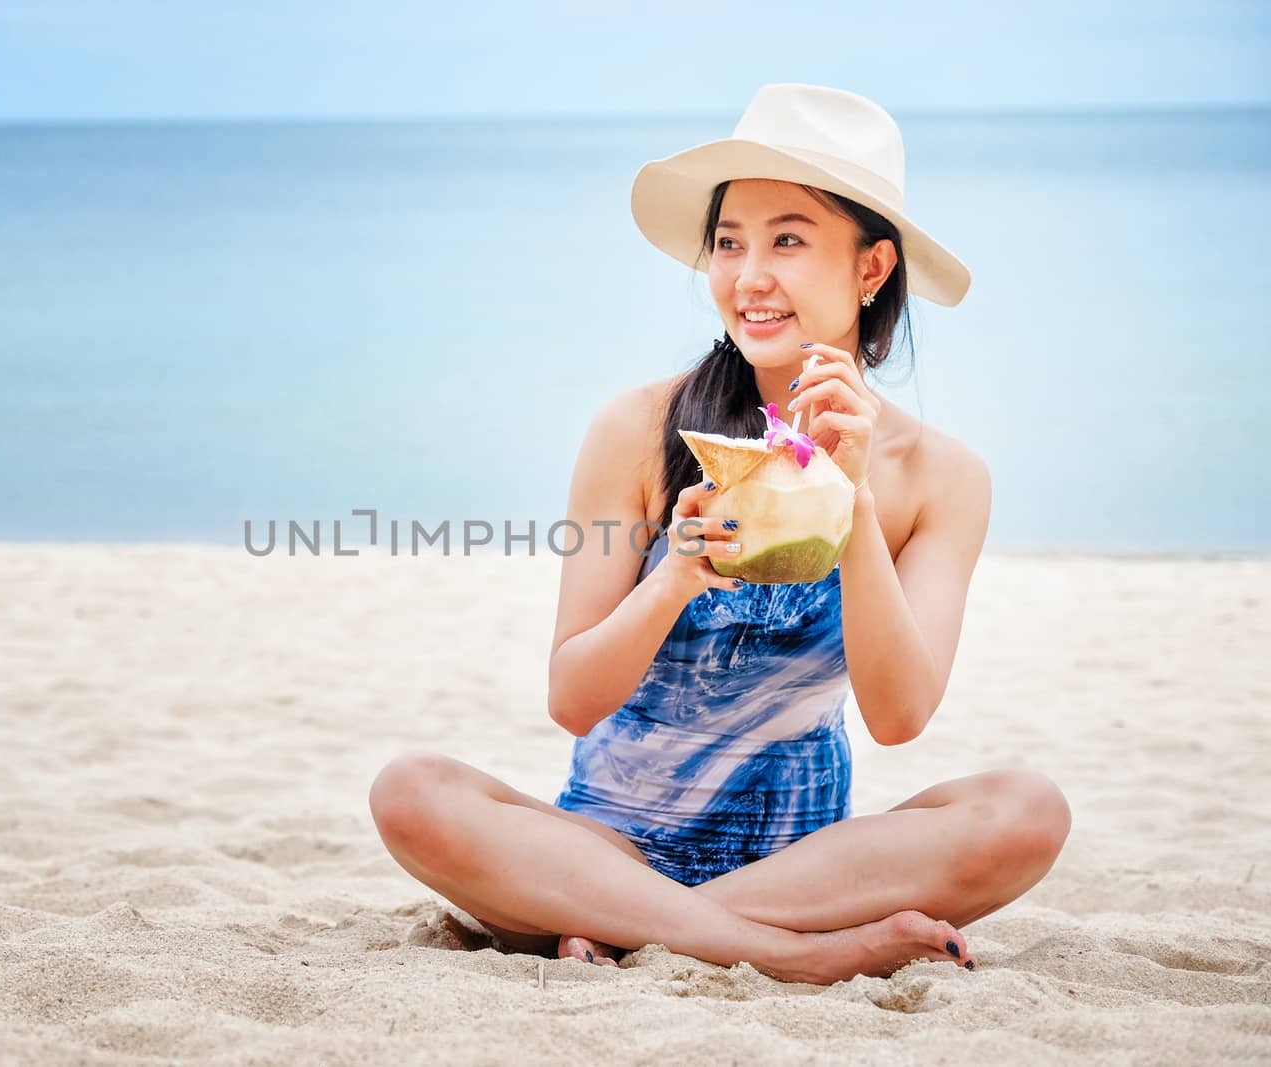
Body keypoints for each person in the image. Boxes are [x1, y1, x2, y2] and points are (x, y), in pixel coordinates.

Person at [368, 83, 1071, 985]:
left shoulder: (940, 476)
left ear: (871, 267)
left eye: (788, 239)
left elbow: (900, 717)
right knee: (411, 791)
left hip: (799, 868)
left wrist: (849, 503)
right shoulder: (637, 429)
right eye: (729, 243)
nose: (749, 277)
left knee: (1027, 810)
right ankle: (792, 956)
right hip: (607, 842)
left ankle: (631, 926)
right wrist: (675, 575)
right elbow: (572, 696)